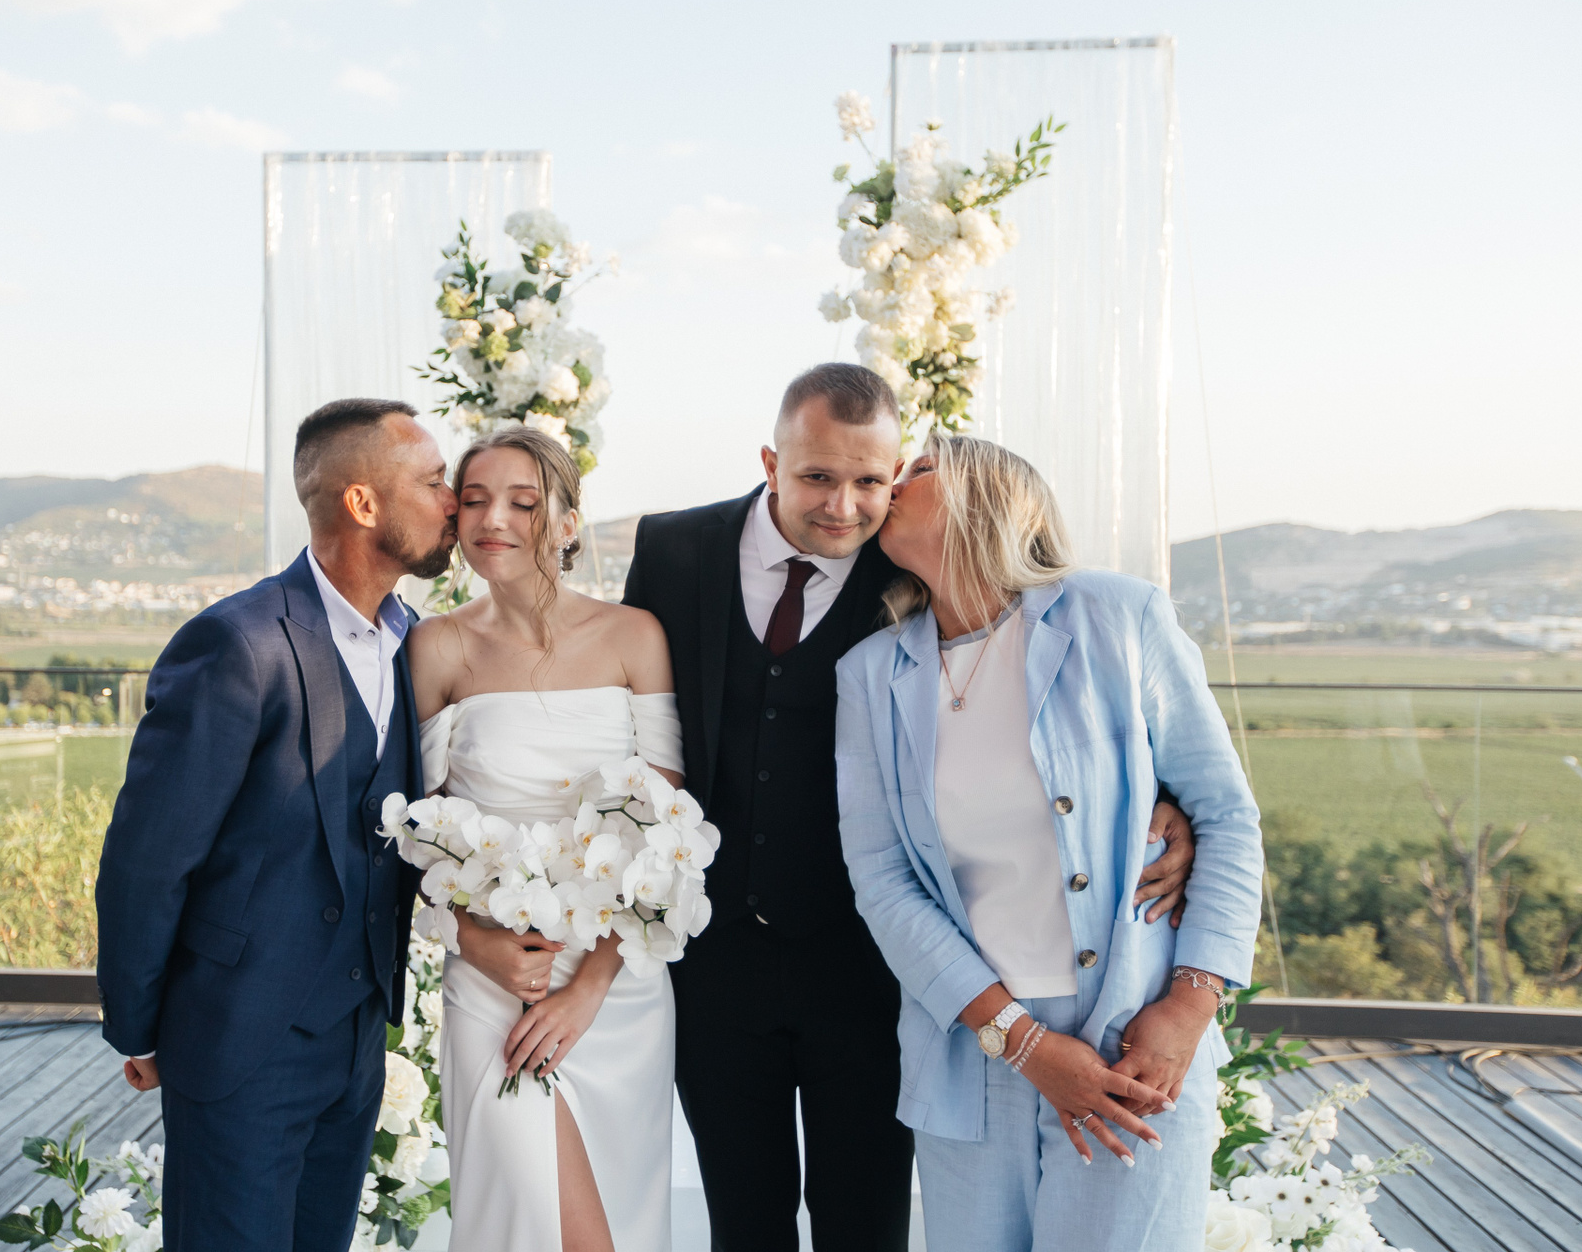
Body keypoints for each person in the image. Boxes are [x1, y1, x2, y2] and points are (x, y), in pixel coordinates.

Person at [620, 363, 1200, 1252]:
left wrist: (1164, 804)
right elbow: (627, 709)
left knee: (867, 1220)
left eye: (872, 480)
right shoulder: (673, 548)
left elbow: (1054, 706)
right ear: (771, 462)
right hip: (715, 955)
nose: (845, 506)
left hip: (876, 970)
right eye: (817, 476)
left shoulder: (908, 560)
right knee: (742, 1217)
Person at [834, 430, 1264, 1252]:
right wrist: (1021, 1042)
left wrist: (1189, 1007)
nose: (890, 481)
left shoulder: (1119, 615)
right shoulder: (869, 674)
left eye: (917, 468)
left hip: (1134, 1044)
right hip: (970, 1050)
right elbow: (882, 878)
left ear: (987, 495)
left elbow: (1225, 815)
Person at [94, 399, 456, 1252]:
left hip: (357, 1041)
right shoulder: (237, 643)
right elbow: (148, 860)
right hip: (237, 1040)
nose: (454, 501)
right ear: (362, 503)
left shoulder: (416, 645)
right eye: (435, 481)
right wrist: (138, 1024)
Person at [406, 425, 685, 1252]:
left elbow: (666, 828)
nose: (494, 519)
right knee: (539, 1220)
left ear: (566, 523)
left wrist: (589, 985)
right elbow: (415, 835)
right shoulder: (437, 646)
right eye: (475, 500)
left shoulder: (635, 637)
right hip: (496, 981)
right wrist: (474, 942)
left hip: (614, 983)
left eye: (523, 503)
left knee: (615, 1228)